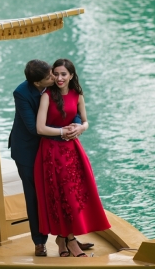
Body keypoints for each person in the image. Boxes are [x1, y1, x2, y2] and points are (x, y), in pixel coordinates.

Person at [8, 60, 88, 257]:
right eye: (51, 76)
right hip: (29, 150)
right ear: (38, 83)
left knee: (64, 191)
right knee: (35, 196)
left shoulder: (55, 83)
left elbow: (71, 107)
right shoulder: (22, 94)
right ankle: (39, 242)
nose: (55, 78)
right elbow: (34, 128)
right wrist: (62, 132)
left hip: (53, 148)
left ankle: (68, 237)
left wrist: (76, 125)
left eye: (55, 74)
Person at [34, 59, 110, 257]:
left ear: (72, 76)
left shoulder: (78, 95)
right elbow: (40, 128)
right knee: (60, 196)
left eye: (63, 74)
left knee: (75, 196)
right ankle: (67, 240)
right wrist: (61, 131)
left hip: (72, 151)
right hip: (52, 152)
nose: (59, 78)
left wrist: (80, 128)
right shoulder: (47, 96)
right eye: (56, 74)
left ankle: (64, 239)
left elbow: (85, 122)